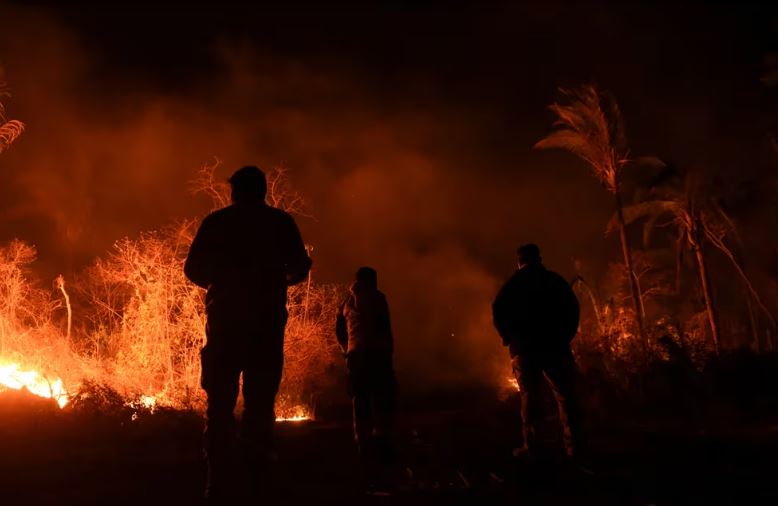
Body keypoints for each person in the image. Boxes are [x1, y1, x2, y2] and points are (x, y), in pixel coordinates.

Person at [184, 165, 312, 499]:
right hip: (265, 326)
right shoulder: (280, 223)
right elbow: (300, 267)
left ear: (234, 192)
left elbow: (192, 268)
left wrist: (218, 284)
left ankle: (218, 484)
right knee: (259, 407)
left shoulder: (217, 222)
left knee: (219, 407)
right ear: (264, 190)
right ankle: (257, 485)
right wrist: (275, 283)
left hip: (225, 325)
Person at [492, 243, 583, 459]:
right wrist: (565, 336)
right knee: (566, 397)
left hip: (525, 350)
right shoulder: (554, 281)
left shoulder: (513, 285)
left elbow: (498, 310)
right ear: (539, 259)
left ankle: (534, 448)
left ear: (519, 261)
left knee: (530, 398)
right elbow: (572, 308)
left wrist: (508, 339)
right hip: (555, 347)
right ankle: (574, 447)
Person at [335, 266, 396, 461]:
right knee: (381, 398)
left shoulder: (346, 302)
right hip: (377, 354)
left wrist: (347, 348)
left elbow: (339, 331)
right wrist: (388, 351)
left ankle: (362, 443)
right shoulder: (379, 298)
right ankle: (381, 442)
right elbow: (383, 326)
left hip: (356, 356)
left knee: (359, 400)